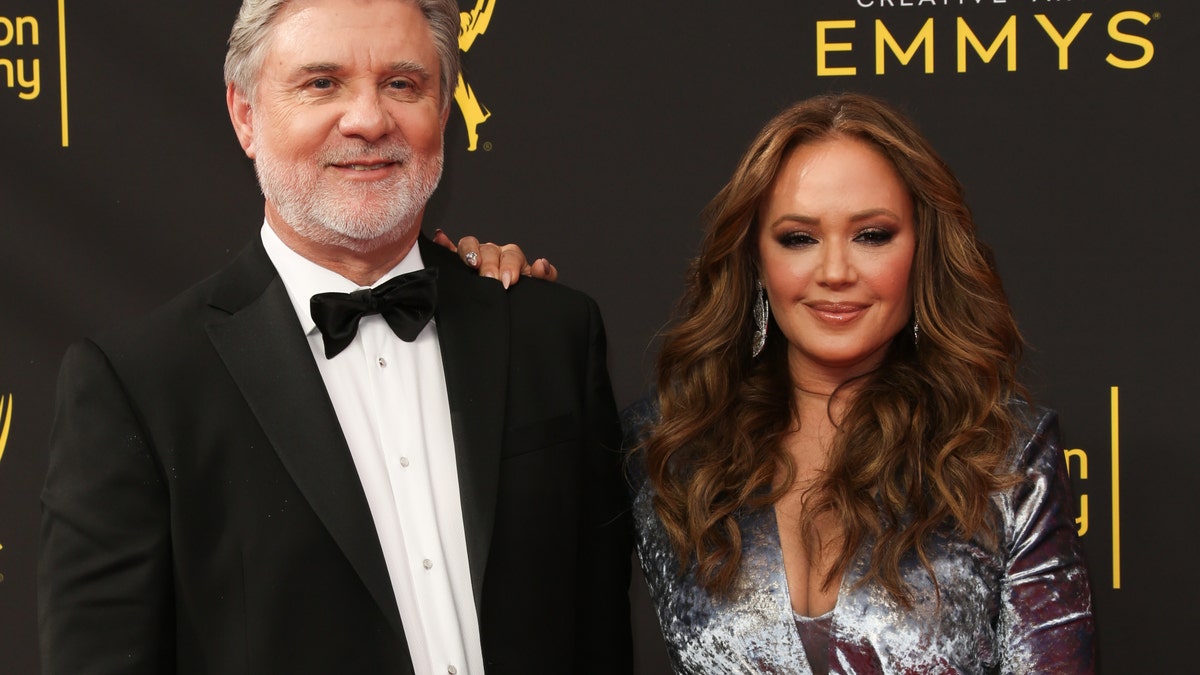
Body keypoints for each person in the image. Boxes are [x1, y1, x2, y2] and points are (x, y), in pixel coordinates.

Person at [38, 1, 632, 674]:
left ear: (443, 110)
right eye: (322, 83)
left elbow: (600, 636)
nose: (369, 119)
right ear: (245, 114)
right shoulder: (137, 388)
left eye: (403, 84)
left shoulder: (551, 335)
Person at [619, 94, 1096, 673]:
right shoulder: (666, 449)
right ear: (755, 261)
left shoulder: (1003, 454)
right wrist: (488, 295)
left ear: (922, 250)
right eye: (799, 238)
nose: (836, 271)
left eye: (871, 234)